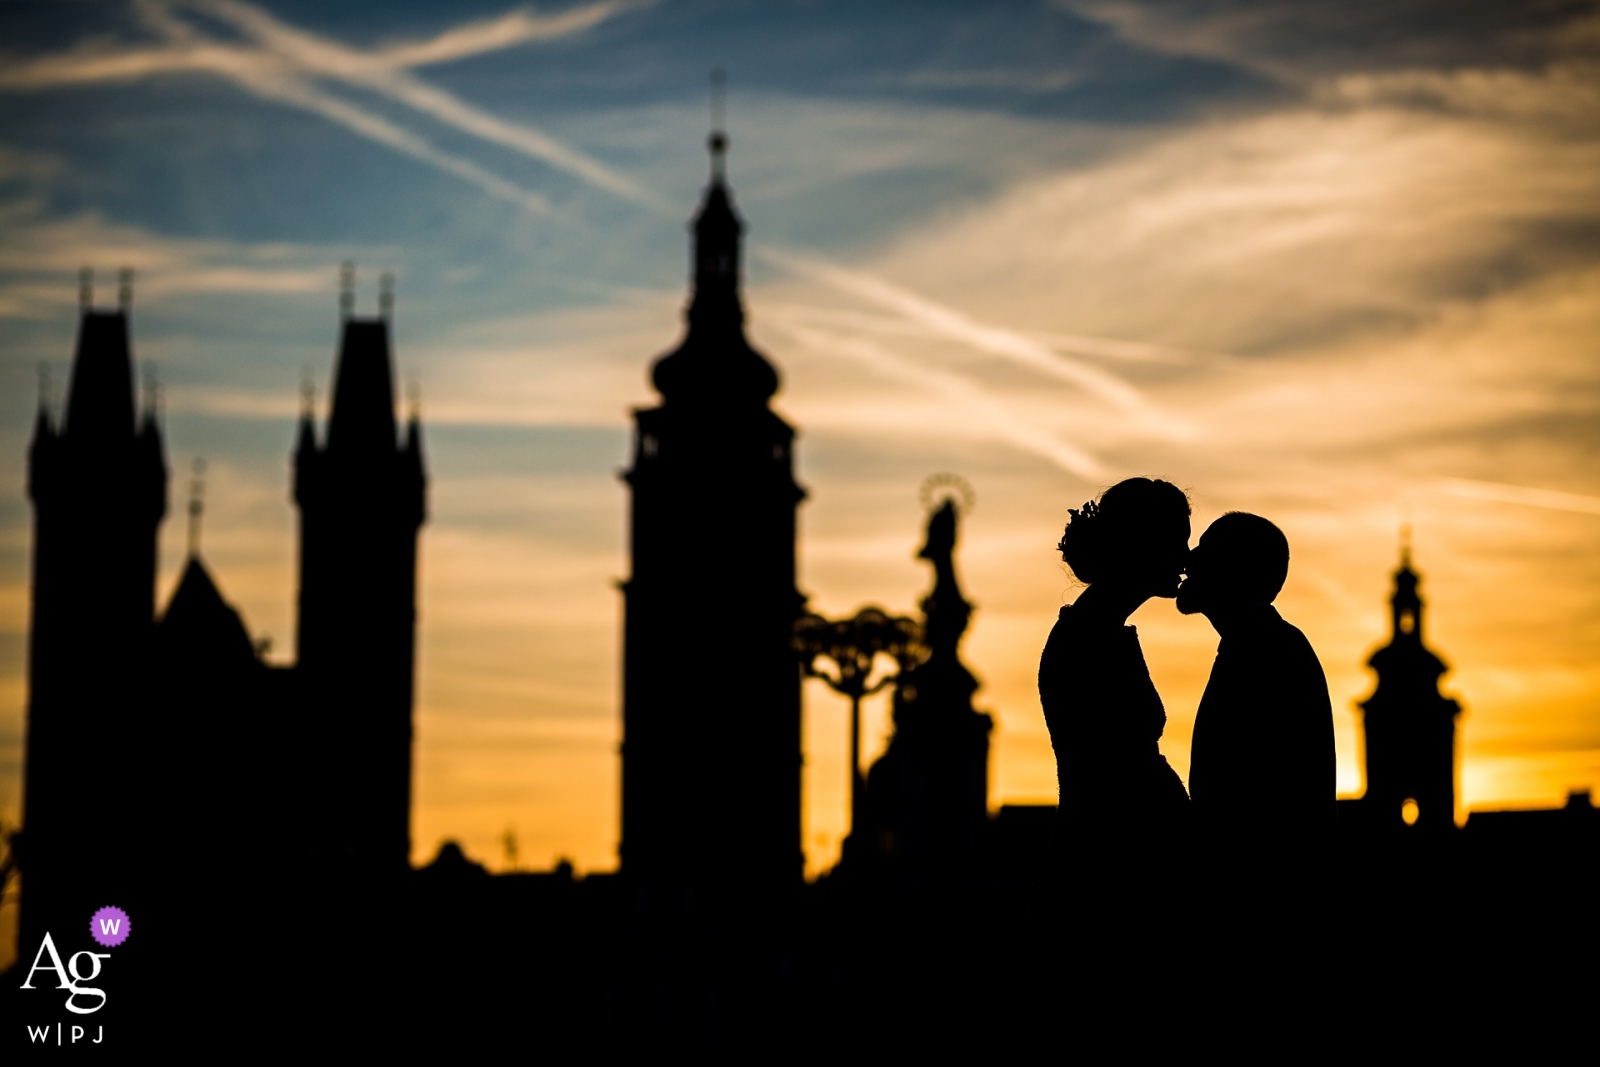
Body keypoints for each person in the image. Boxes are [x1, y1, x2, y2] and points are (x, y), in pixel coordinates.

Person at [1038, 477, 1192, 873]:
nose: (1186, 559)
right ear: (1142, 546)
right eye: (1178, 541)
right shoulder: (1087, 638)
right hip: (1111, 866)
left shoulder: (1096, 630)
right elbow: (1112, 780)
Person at [1177, 512, 1334, 848]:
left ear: (1234, 568)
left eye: (1204, 549)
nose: (1188, 559)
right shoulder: (1266, 644)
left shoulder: (1271, 652)